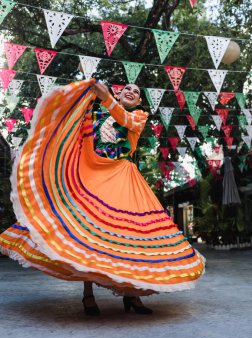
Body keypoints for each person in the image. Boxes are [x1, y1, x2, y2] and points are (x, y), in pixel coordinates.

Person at [0, 78, 205, 316]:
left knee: (131, 237)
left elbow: (124, 119)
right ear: (119, 95)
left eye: (136, 92)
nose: (130, 91)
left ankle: (133, 295)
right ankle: (88, 294)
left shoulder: (138, 117)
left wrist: (105, 97)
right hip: (93, 176)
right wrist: (84, 95)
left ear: (138, 101)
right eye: (126, 89)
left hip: (122, 178)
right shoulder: (96, 116)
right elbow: (77, 132)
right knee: (87, 233)